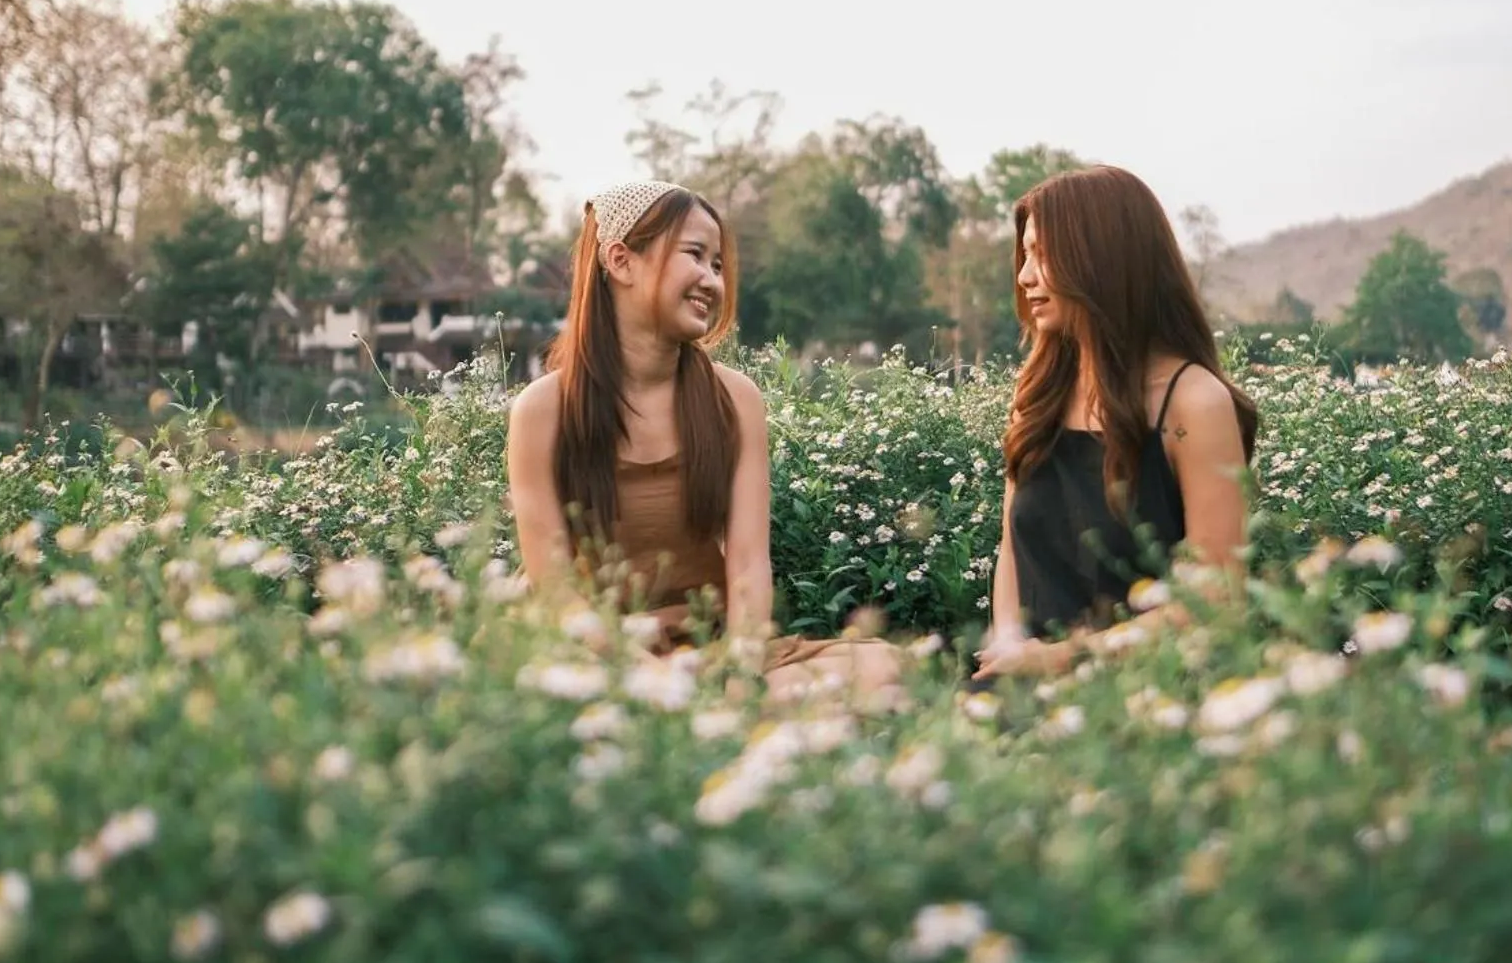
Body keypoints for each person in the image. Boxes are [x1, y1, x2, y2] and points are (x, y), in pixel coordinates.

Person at [505, 179, 903, 705]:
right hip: (596, 657)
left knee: (887, 668)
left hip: (707, 652)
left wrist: (738, 678)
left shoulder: (735, 400)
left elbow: (747, 567)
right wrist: (649, 680)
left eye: (717, 265)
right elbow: (557, 596)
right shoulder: (543, 410)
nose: (712, 281)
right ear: (621, 261)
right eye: (695, 255)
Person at [971, 165, 1260, 682]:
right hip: (1026, 690)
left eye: (1043, 254)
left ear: (1100, 259)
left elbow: (1217, 600)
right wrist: (1010, 652)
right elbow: (1011, 552)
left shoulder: (1193, 403)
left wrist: (1062, 661)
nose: (1024, 276)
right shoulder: (1037, 395)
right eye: (1025, 253)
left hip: (1150, 699)